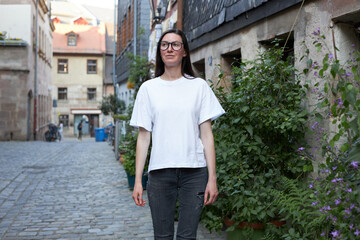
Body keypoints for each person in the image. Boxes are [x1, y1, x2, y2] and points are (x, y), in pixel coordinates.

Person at [130, 29, 225, 240]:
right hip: (160, 173)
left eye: (175, 44)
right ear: (159, 52)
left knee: (187, 235)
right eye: (164, 45)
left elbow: (207, 134)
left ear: (184, 52)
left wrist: (212, 178)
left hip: (194, 173)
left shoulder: (198, 86)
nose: (169, 49)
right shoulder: (148, 89)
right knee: (162, 236)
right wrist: (138, 180)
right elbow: (144, 137)